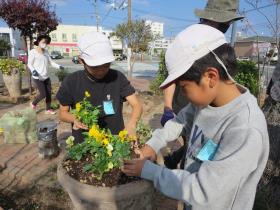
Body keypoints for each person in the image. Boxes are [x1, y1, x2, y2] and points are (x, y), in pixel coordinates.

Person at [122, 24, 269, 210]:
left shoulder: (244, 128)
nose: (183, 95)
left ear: (210, 76)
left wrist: (150, 171)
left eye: (184, 88)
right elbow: (178, 122)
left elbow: (204, 191)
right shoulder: (205, 103)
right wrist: (153, 144)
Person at [162, 0, 245, 169]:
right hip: (194, 102)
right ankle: (184, 161)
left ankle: (181, 161)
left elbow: (209, 185)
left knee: (201, 149)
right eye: (225, 21)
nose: (227, 25)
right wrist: (168, 107)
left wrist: (159, 175)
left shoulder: (241, 128)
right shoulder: (190, 41)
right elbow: (174, 81)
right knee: (193, 144)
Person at [56, 32, 142, 144]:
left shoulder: (117, 78)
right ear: (82, 61)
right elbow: (62, 113)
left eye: (106, 65)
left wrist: (132, 124)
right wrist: (74, 119)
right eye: (95, 67)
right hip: (84, 143)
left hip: (114, 141)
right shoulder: (72, 82)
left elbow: (136, 105)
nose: (101, 70)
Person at [28, 34, 64, 114]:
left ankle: (48, 109)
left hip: (46, 77)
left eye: (46, 42)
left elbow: (51, 63)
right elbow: (29, 64)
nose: (45, 44)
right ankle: (33, 103)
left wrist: (59, 66)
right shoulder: (33, 52)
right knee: (43, 94)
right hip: (38, 77)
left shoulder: (46, 52)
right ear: (38, 41)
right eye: (43, 42)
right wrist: (33, 71)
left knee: (48, 94)